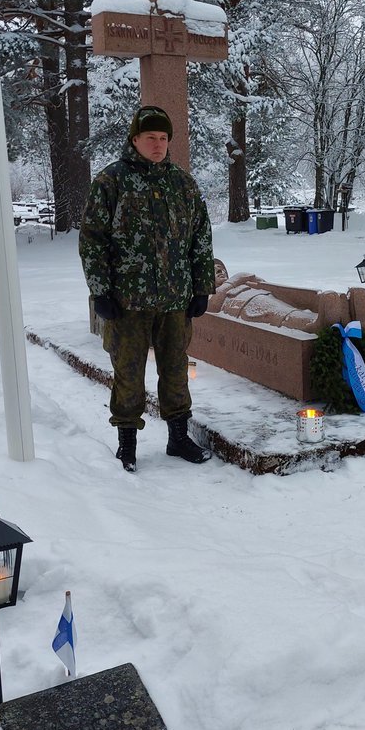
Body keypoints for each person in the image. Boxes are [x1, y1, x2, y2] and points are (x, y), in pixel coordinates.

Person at [79, 105, 215, 470]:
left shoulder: (183, 184)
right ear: (135, 139)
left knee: (175, 369)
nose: (158, 144)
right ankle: (127, 443)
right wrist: (101, 292)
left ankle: (178, 437)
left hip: (174, 300)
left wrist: (202, 286)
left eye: (163, 138)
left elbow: (200, 237)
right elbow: (92, 240)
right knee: (128, 372)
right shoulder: (111, 182)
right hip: (127, 302)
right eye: (150, 137)